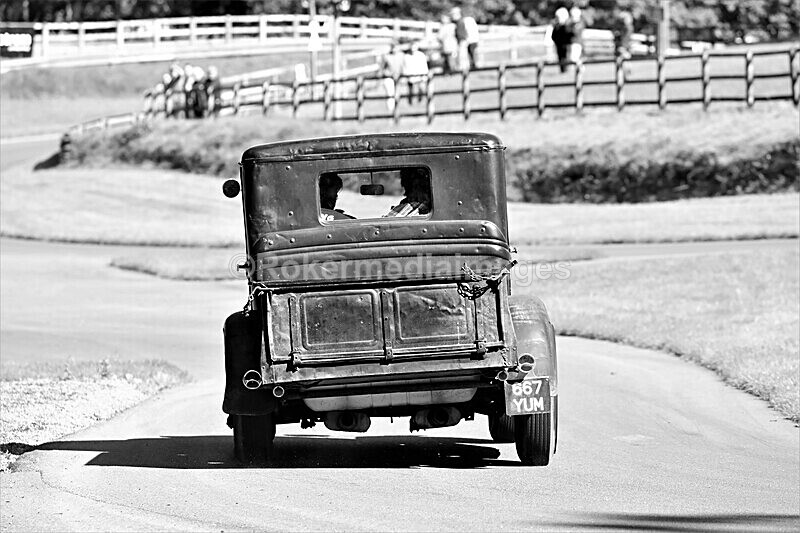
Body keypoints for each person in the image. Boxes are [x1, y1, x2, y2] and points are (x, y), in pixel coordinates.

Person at [381, 42, 405, 113]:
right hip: (389, 77)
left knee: (397, 93)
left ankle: (396, 108)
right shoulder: (387, 56)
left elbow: (402, 66)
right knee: (390, 93)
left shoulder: (401, 55)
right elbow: (383, 68)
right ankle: (391, 109)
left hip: (398, 77)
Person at [551, 7, 572, 73]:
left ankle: (567, 70)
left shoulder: (568, 25)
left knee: (566, 58)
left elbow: (570, 35)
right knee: (560, 58)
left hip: (566, 45)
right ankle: (562, 70)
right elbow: (553, 36)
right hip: (559, 45)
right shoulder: (557, 26)